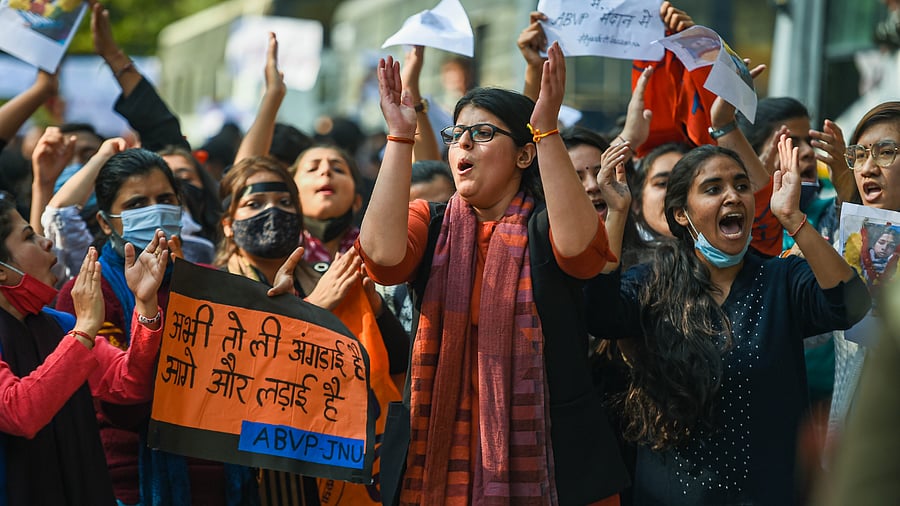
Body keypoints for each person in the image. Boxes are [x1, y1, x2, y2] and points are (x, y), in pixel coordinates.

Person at [359, 43, 629, 505]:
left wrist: (547, 132)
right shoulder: (433, 219)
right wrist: (400, 137)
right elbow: (382, 258)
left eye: (482, 133)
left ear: (525, 156)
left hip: (555, 463)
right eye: (456, 133)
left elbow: (583, 252)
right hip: (442, 465)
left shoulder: (548, 224)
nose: (462, 143)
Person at [584, 140, 870, 504]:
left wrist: (795, 221)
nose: (733, 196)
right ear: (682, 213)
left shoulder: (781, 278)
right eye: (713, 188)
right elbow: (601, 315)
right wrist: (617, 210)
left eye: (741, 185)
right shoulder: (653, 281)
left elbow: (852, 306)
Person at [0, 193, 168, 505]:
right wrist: (85, 329)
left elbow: (128, 384)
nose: (46, 242)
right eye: (28, 237)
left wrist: (146, 305)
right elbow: (19, 413)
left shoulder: (59, 325)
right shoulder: (75, 329)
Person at [830, 101, 900, 451]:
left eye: (886, 153)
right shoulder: (844, 242)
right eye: (858, 155)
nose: (868, 167)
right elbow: (811, 336)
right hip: (854, 446)